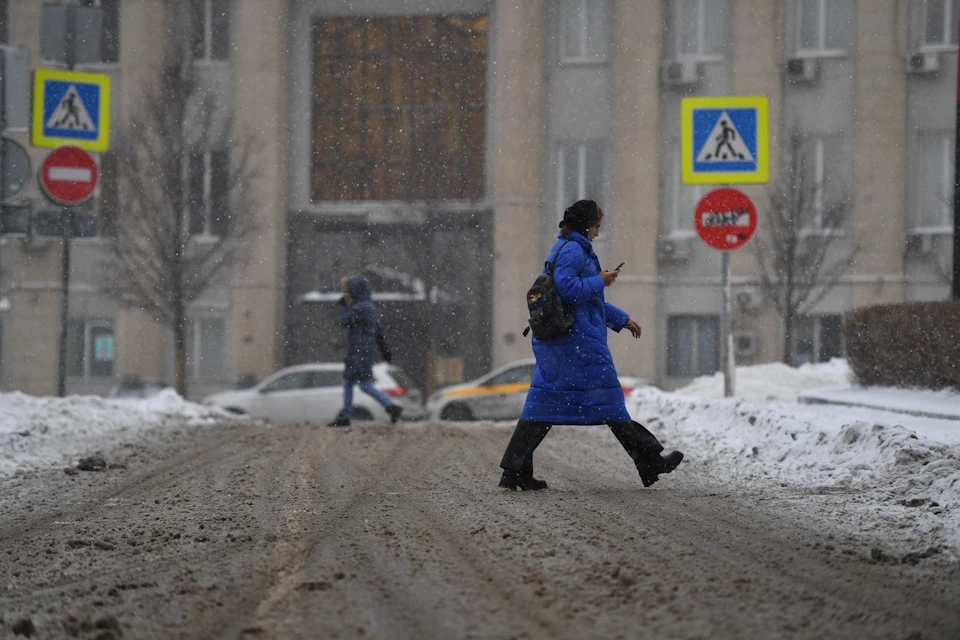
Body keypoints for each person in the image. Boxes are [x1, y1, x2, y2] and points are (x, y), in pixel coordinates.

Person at [499, 200, 683, 490]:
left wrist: (622, 319)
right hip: (578, 345)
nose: (599, 231)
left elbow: (587, 303)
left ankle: (515, 471)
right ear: (586, 225)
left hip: (565, 341)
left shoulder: (568, 248)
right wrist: (600, 279)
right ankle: (650, 461)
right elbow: (569, 290)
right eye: (597, 225)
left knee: (543, 406)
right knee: (609, 403)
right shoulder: (573, 250)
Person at [328, 274, 403, 427]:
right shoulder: (370, 308)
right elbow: (379, 332)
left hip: (357, 352)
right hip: (365, 351)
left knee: (357, 383)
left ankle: (389, 407)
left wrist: (341, 306)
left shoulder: (359, 308)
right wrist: (385, 351)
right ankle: (389, 408)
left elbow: (344, 321)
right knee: (358, 383)